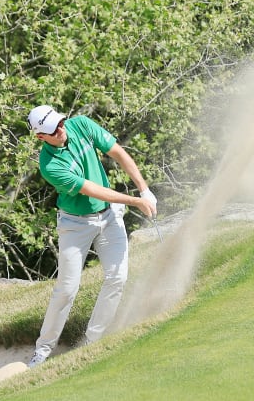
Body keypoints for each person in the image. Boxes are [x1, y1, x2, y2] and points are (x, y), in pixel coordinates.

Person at [25, 104, 158, 368]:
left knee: (117, 278)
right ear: (41, 137)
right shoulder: (49, 165)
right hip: (75, 225)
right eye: (53, 130)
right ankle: (43, 350)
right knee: (67, 290)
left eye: (60, 123)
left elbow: (117, 152)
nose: (61, 130)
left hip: (109, 217)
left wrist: (144, 189)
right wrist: (134, 201)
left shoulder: (82, 124)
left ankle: (93, 340)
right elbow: (92, 190)